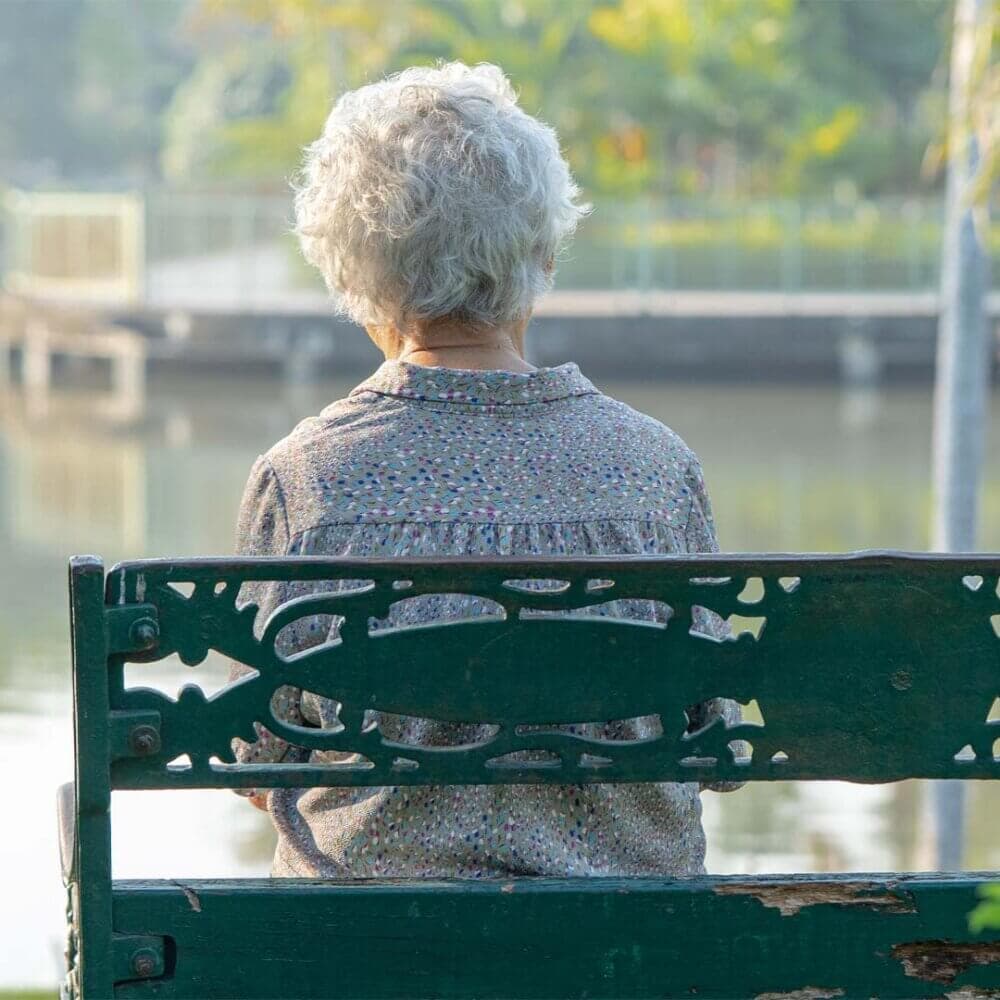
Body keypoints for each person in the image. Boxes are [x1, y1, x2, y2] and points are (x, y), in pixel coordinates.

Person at [232, 61, 739, 879]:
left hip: (362, 952)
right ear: (540, 246)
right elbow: (709, 739)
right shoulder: (656, 471)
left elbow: (258, 757)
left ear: (351, 271)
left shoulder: (308, 482)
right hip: (629, 953)